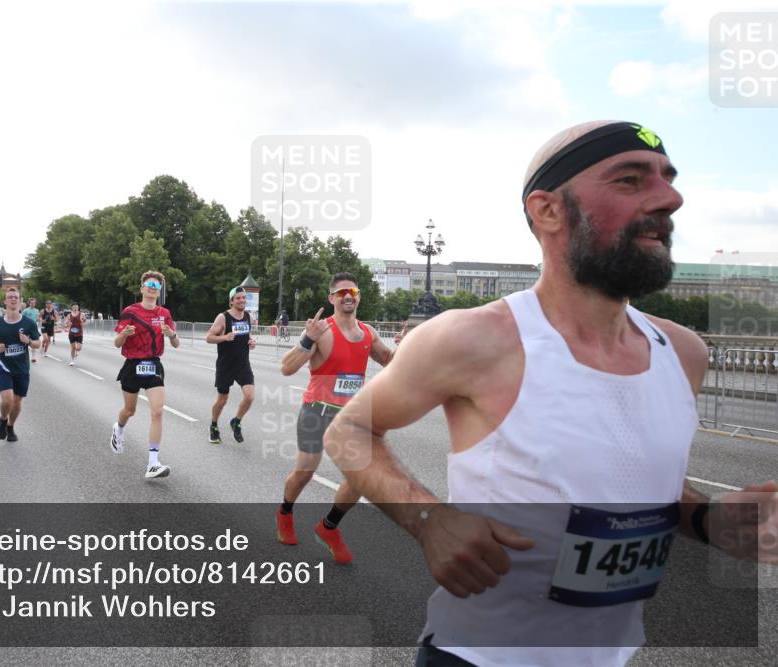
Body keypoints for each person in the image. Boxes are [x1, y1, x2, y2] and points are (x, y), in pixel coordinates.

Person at [321, 121, 778, 667]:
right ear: (549, 211)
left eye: (667, 179)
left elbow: (626, 481)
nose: (670, 198)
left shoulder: (683, 353)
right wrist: (429, 520)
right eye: (631, 180)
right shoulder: (472, 339)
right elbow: (347, 428)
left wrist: (709, 519)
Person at [275, 272, 396, 564]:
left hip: (352, 415)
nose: (348, 296)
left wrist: (406, 348)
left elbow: (389, 362)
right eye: (341, 293)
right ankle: (285, 511)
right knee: (305, 472)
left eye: (352, 291)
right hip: (317, 410)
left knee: (360, 477)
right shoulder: (322, 331)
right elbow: (286, 369)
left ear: (359, 296)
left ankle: (328, 527)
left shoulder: (368, 333)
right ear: (332, 299)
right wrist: (307, 340)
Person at [111, 271, 180, 479]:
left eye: (156, 286)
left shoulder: (164, 313)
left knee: (157, 411)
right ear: (142, 288)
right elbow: (117, 343)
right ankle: (119, 427)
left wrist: (172, 335)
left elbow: (176, 344)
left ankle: (153, 463)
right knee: (129, 410)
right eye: (149, 284)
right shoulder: (130, 311)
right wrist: (124, 334)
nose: (152, 288)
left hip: (153, 364)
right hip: (133, 365)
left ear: (159, 291)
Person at [0, 287, 41, 443]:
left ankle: (10, 427)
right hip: (4, 367)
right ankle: (3, 419)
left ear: (20, 301)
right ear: (5, 301)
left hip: (22, 368)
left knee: (17, 402)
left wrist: (28, 341)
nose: (13, 299)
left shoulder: (28, 323)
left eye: (16, 297)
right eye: (10, 297)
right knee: (7, 399)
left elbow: (37, 343)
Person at [205, 286, 257, 444]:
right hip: (225, 365)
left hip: (243, 364)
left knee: (250, 396)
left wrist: (251, 341)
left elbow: (248, 336)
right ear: (232, 301)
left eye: (243, 297)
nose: (241, 300)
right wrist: (224, 337)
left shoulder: (248, 317)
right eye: (238, 298)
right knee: (222, 400)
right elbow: (209, 337)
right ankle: (213, 426)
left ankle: (236, 421)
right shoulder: (223, 317)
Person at [22, 297, 40, 363]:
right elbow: (22, 318)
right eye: (31, 303)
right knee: (24, 342)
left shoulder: (37, 310)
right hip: (26, 328)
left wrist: (39, 320)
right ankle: (24, 356)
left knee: (33, 342)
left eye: (34, 303)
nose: (33, 304)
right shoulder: (25, 311)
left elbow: (37, 318)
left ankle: (33, 356)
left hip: (34, 328)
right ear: (29, 303)